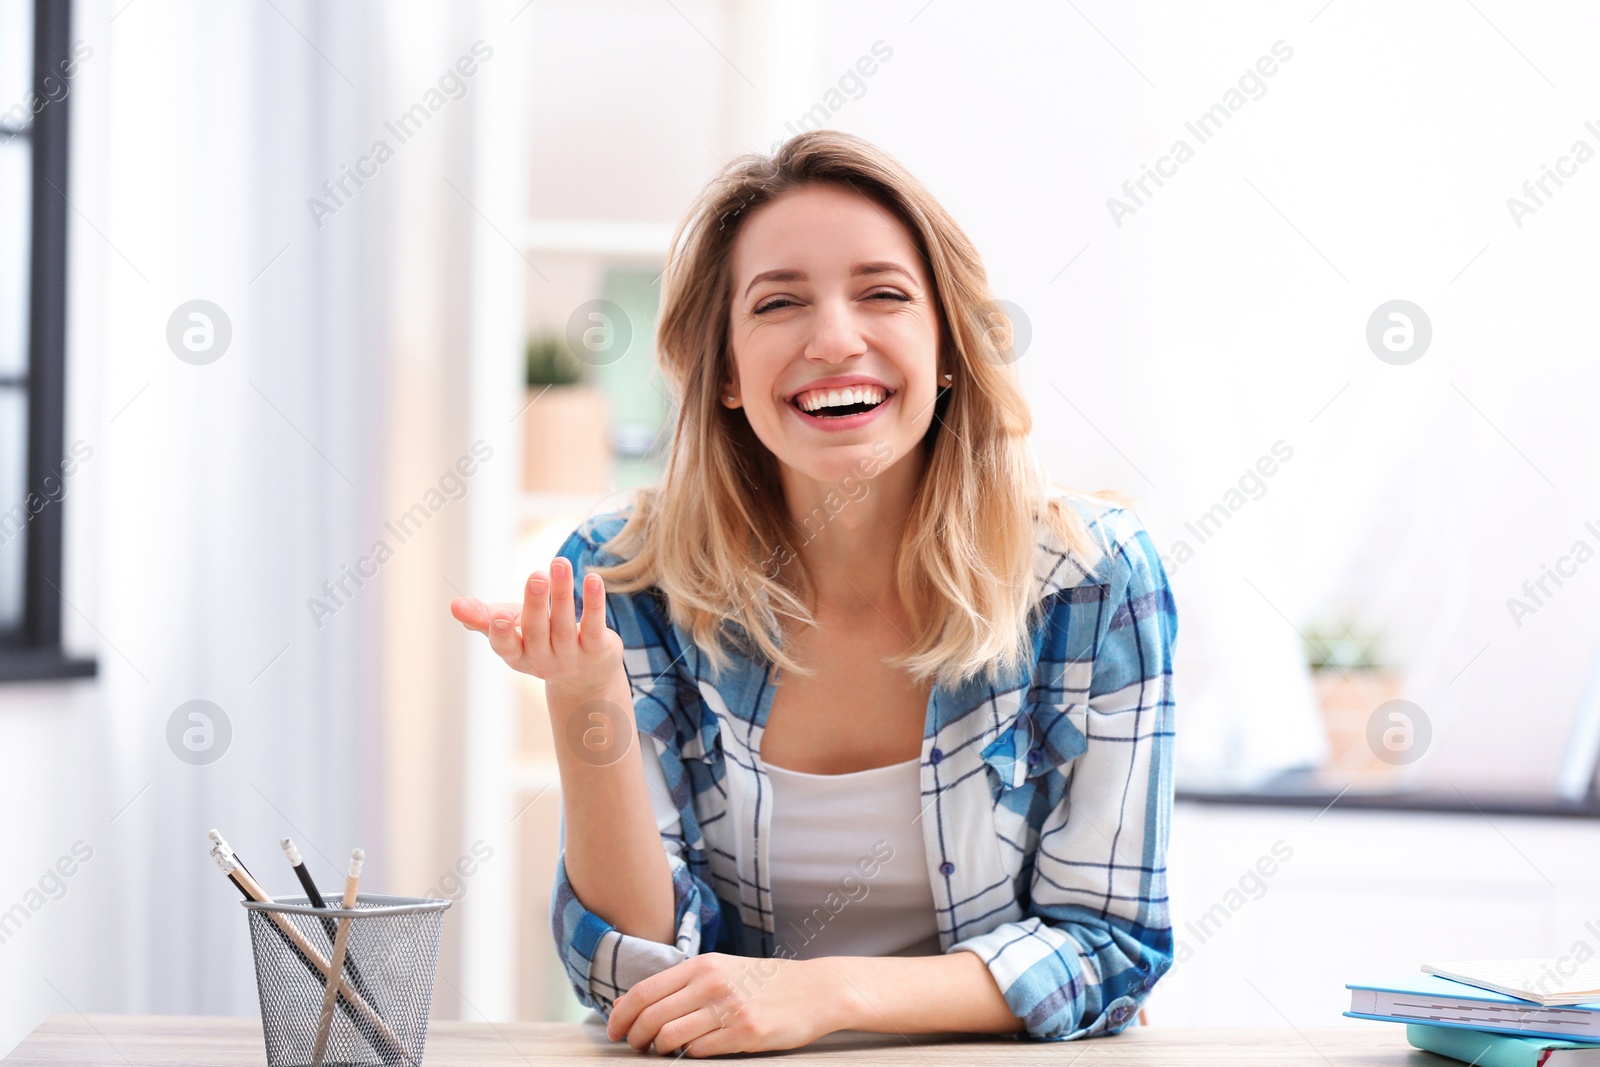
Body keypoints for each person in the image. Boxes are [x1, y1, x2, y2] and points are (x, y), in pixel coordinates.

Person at [450, 129, 1177, 1057]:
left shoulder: (1094, 578)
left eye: (883, 294)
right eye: (779, 302)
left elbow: (1111, 944)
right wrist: (585, 699)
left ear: (949, 346)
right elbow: (626, 975)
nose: (834, 340)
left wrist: (827, 992)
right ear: (722, 371)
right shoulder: (626, 572)